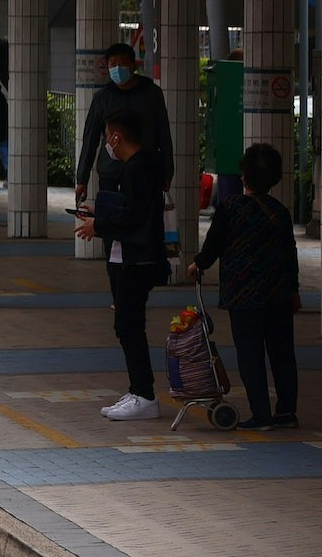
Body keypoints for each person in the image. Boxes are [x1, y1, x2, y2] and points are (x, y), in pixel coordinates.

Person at [185, 143, 301, 430]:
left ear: (244, 176)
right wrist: (294, 289)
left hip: (243, 294)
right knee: (282, 353)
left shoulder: (231, 207)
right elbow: (290, 254)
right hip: (278, 294)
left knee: (250, 354)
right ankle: (286, 412)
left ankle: (261, 414)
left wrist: (198, 264)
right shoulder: (280, 212)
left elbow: (213, 245)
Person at [75, 114, 170, 420]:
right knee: (128, 325)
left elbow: (133, 216)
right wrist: (99, 212)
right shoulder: (143, 166)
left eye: (107, 137)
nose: (107, 144)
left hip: (136, 258)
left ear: (116, 137)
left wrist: (98, 225)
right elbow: (132, 208)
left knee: (128, 326)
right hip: (133, 256)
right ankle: (138, 390)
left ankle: (144, 395)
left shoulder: (136, 169)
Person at [76, 42, 173, 210]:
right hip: (111, 171)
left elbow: (163, 134)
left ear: (133, 66)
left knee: (142, 216)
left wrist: (167, 171)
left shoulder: (151, 93)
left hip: (145, 169)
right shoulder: (102, 98)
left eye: (122, 63)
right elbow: (90, 139)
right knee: (109, 216)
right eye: (113, 64)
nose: (117, 68)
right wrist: (82, 179)